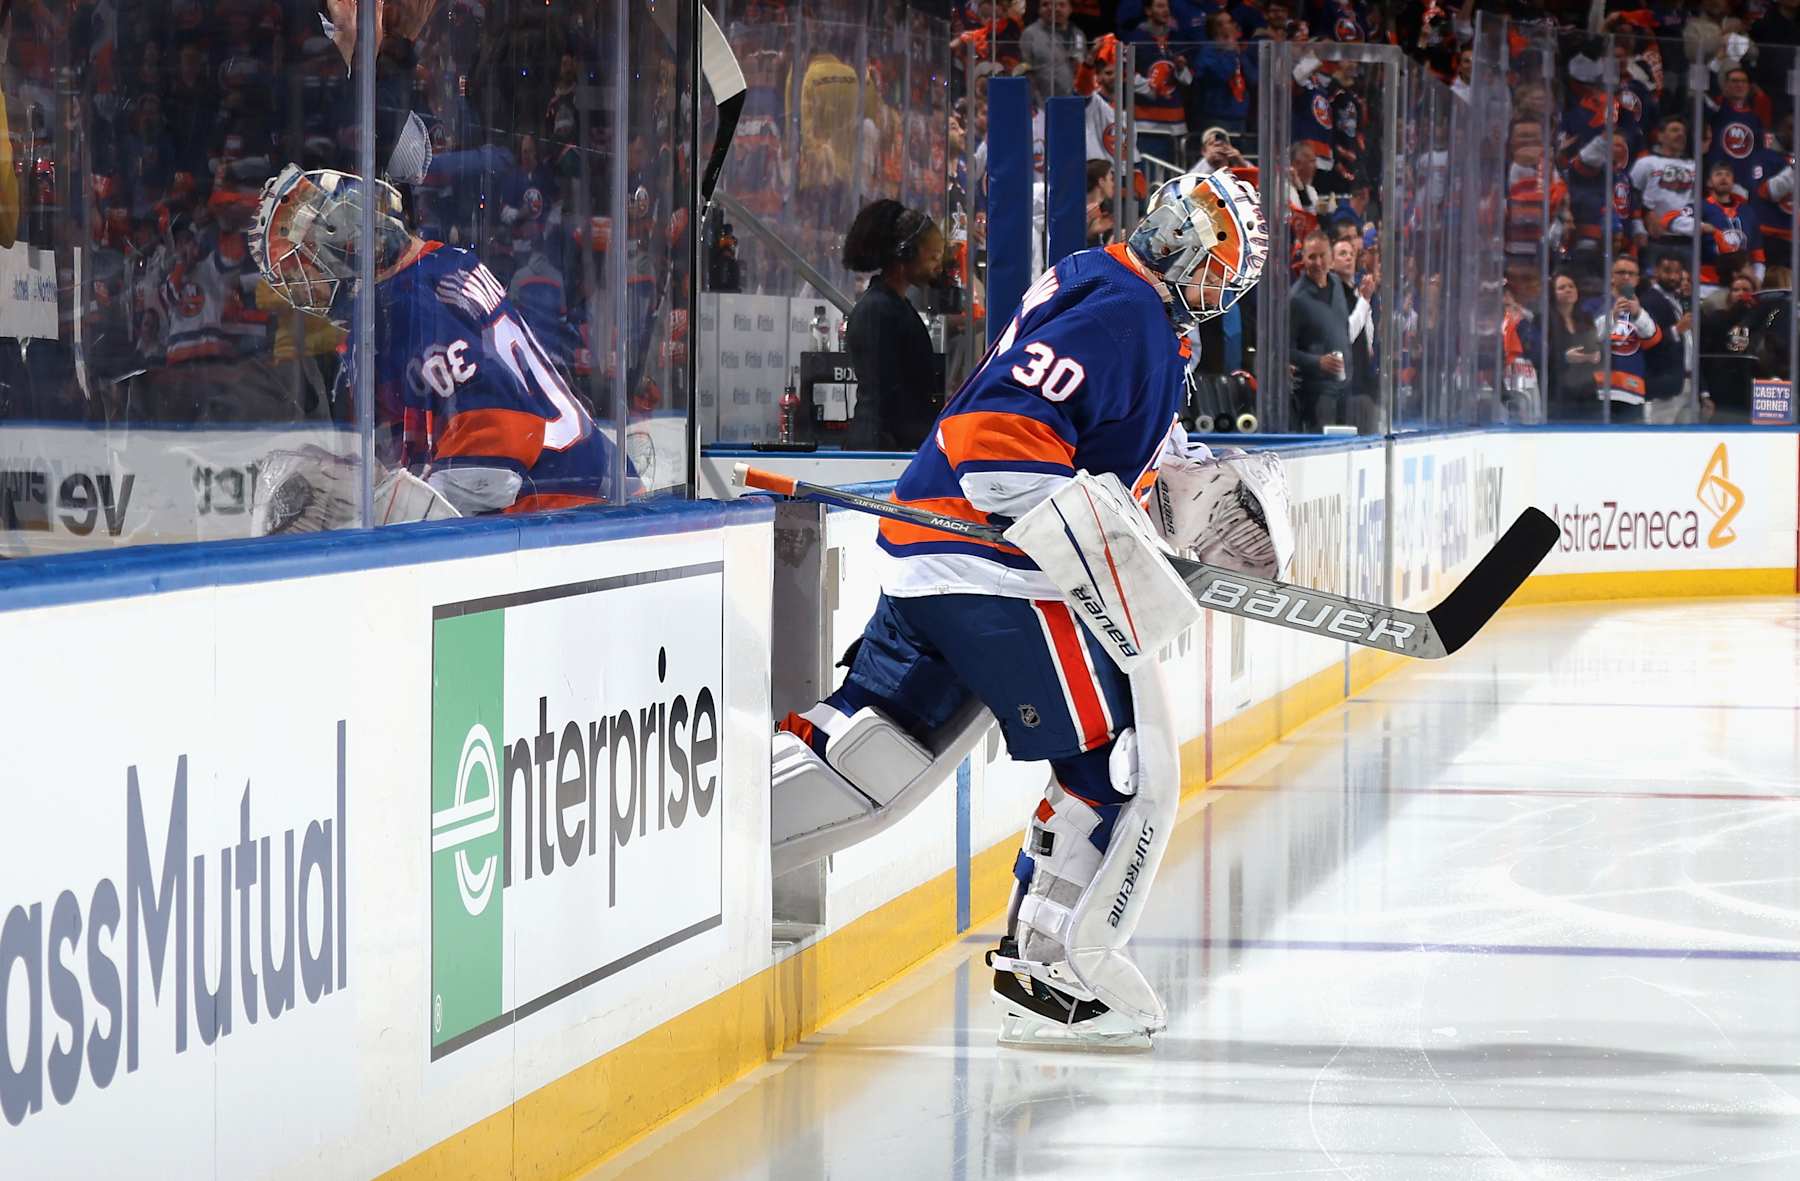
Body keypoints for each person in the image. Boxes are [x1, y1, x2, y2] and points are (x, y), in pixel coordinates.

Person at [768, 170, 1279, 1050]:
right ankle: (1056, 967)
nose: (1209, 289)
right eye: (1214, 271)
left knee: (872, 749)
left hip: (936, 558)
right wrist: (1118, 557)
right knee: (1119, 764)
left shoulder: (1105, 281)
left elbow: (1092, 449)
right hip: (998, 568)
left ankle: (714, 839)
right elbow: (996, 447)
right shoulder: (1129, 316)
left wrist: (1183, 496)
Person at [249, 165, 624, 527]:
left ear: (345, 242)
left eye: (305, 267)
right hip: (592, 492)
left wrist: (399, 515)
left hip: (571, 514)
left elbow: (498, 443)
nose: (305, 288)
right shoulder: (441, 261)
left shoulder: (403, 306)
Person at [841, 199, 947, 451]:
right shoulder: (878, 310)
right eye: (932, 256)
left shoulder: (895, 306)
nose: (938, 266)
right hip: (880, 449)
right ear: (906, 254)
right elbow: (886, 394)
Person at [1289, 230, 1356, 430]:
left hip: (1345, 387)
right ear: (1303, 259)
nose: (1318, 262)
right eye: (1312, 257)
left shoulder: (1336, 284)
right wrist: (1318, 362)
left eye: (1322, 255)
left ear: (1330, 256)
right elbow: (1285, 350)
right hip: (1316, 395)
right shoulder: (1296, 299)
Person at [1593, 254, 1664, 423]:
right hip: (1600, 390)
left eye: (1631, 273)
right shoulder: (1596, 305)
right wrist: (1612, 315)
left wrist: (1638, 313)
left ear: (1637, 279)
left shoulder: (1644, 307)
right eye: (1621, 272)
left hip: (1632, 391)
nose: (1626, 277)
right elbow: (1590, 337)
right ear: (1611, 276)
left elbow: (1653, 337)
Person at [1546, 271, 1602, 421]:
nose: (1568, 290)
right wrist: (1565, 357)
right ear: (1553, 293)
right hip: (1559, 394)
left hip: (1588, 392)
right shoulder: (1545, 320)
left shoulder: (1586, 318)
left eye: (1571, 286)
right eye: (1561, 287)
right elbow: (1540, 355)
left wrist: (1597, 354)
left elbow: (1596, 346)